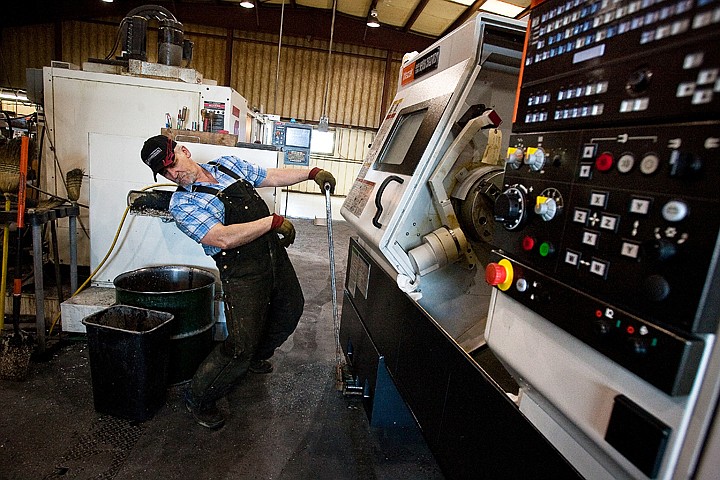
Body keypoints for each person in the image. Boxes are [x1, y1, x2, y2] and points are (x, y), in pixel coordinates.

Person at [140, 134, 336, 429]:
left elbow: (269, 176)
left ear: (184, 150)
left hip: (272, 257)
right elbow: (223, 238)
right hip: (242, 270)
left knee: (291, 308)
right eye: (166, 172)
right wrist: (272, 222)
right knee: (239, 346)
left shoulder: (226, 166)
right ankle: (200, 398)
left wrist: (311, 173)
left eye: (173, 163)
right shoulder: (183, 204)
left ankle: (257, 356)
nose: (174, 174)